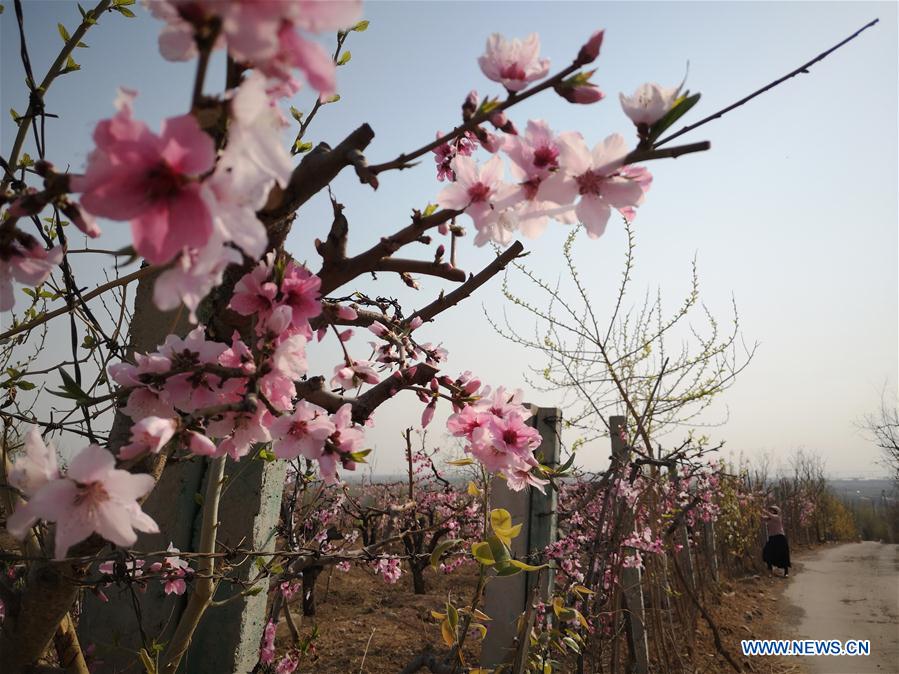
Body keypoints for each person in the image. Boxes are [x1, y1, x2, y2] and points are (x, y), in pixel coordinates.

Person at [761, 505, 791, 577]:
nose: (770, 511)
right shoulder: (769, 519)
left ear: (775, 511)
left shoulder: (777, 517)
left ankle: (786, 571)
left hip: (780, 538)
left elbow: (769, 515)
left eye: (772, 510)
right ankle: (770, 570)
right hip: (772, 538)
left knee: (783, 554)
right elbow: (761, 518)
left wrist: (763, 510)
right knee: (767, 552)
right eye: (770, 510)